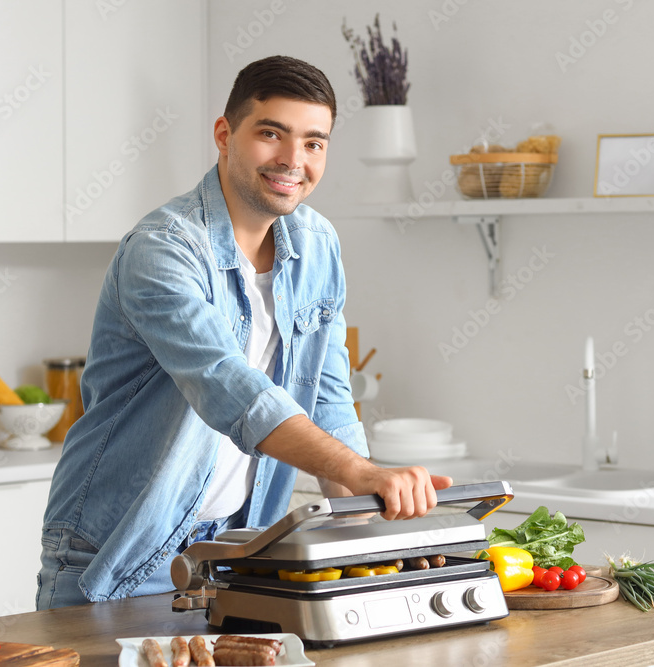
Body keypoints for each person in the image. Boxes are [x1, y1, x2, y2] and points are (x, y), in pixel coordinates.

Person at [36, 55, 452, 609]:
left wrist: (363, 526)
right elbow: (228, 389)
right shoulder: (164, 249)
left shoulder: (318, 244)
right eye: (271, 134)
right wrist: (363, 470)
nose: (292, 160)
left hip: (237, 547)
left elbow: (328, 395)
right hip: (119, 548)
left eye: (314, 142)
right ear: (224, 135)